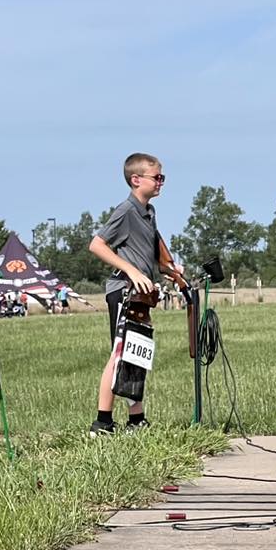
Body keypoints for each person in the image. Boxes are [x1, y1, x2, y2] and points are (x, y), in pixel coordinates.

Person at [88, 152, 176, 434]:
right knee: (119, 353)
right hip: (124, 291)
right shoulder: (126, 211)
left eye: (162, 177)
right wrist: (132, 272)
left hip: (140, 295)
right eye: (157, 177)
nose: (161, 182)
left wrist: (168, 269)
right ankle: (102, 422)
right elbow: (97, 245)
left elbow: (150, 250)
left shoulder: (149, 212)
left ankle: (136, 420)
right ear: (136, 179)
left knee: (136, 354)